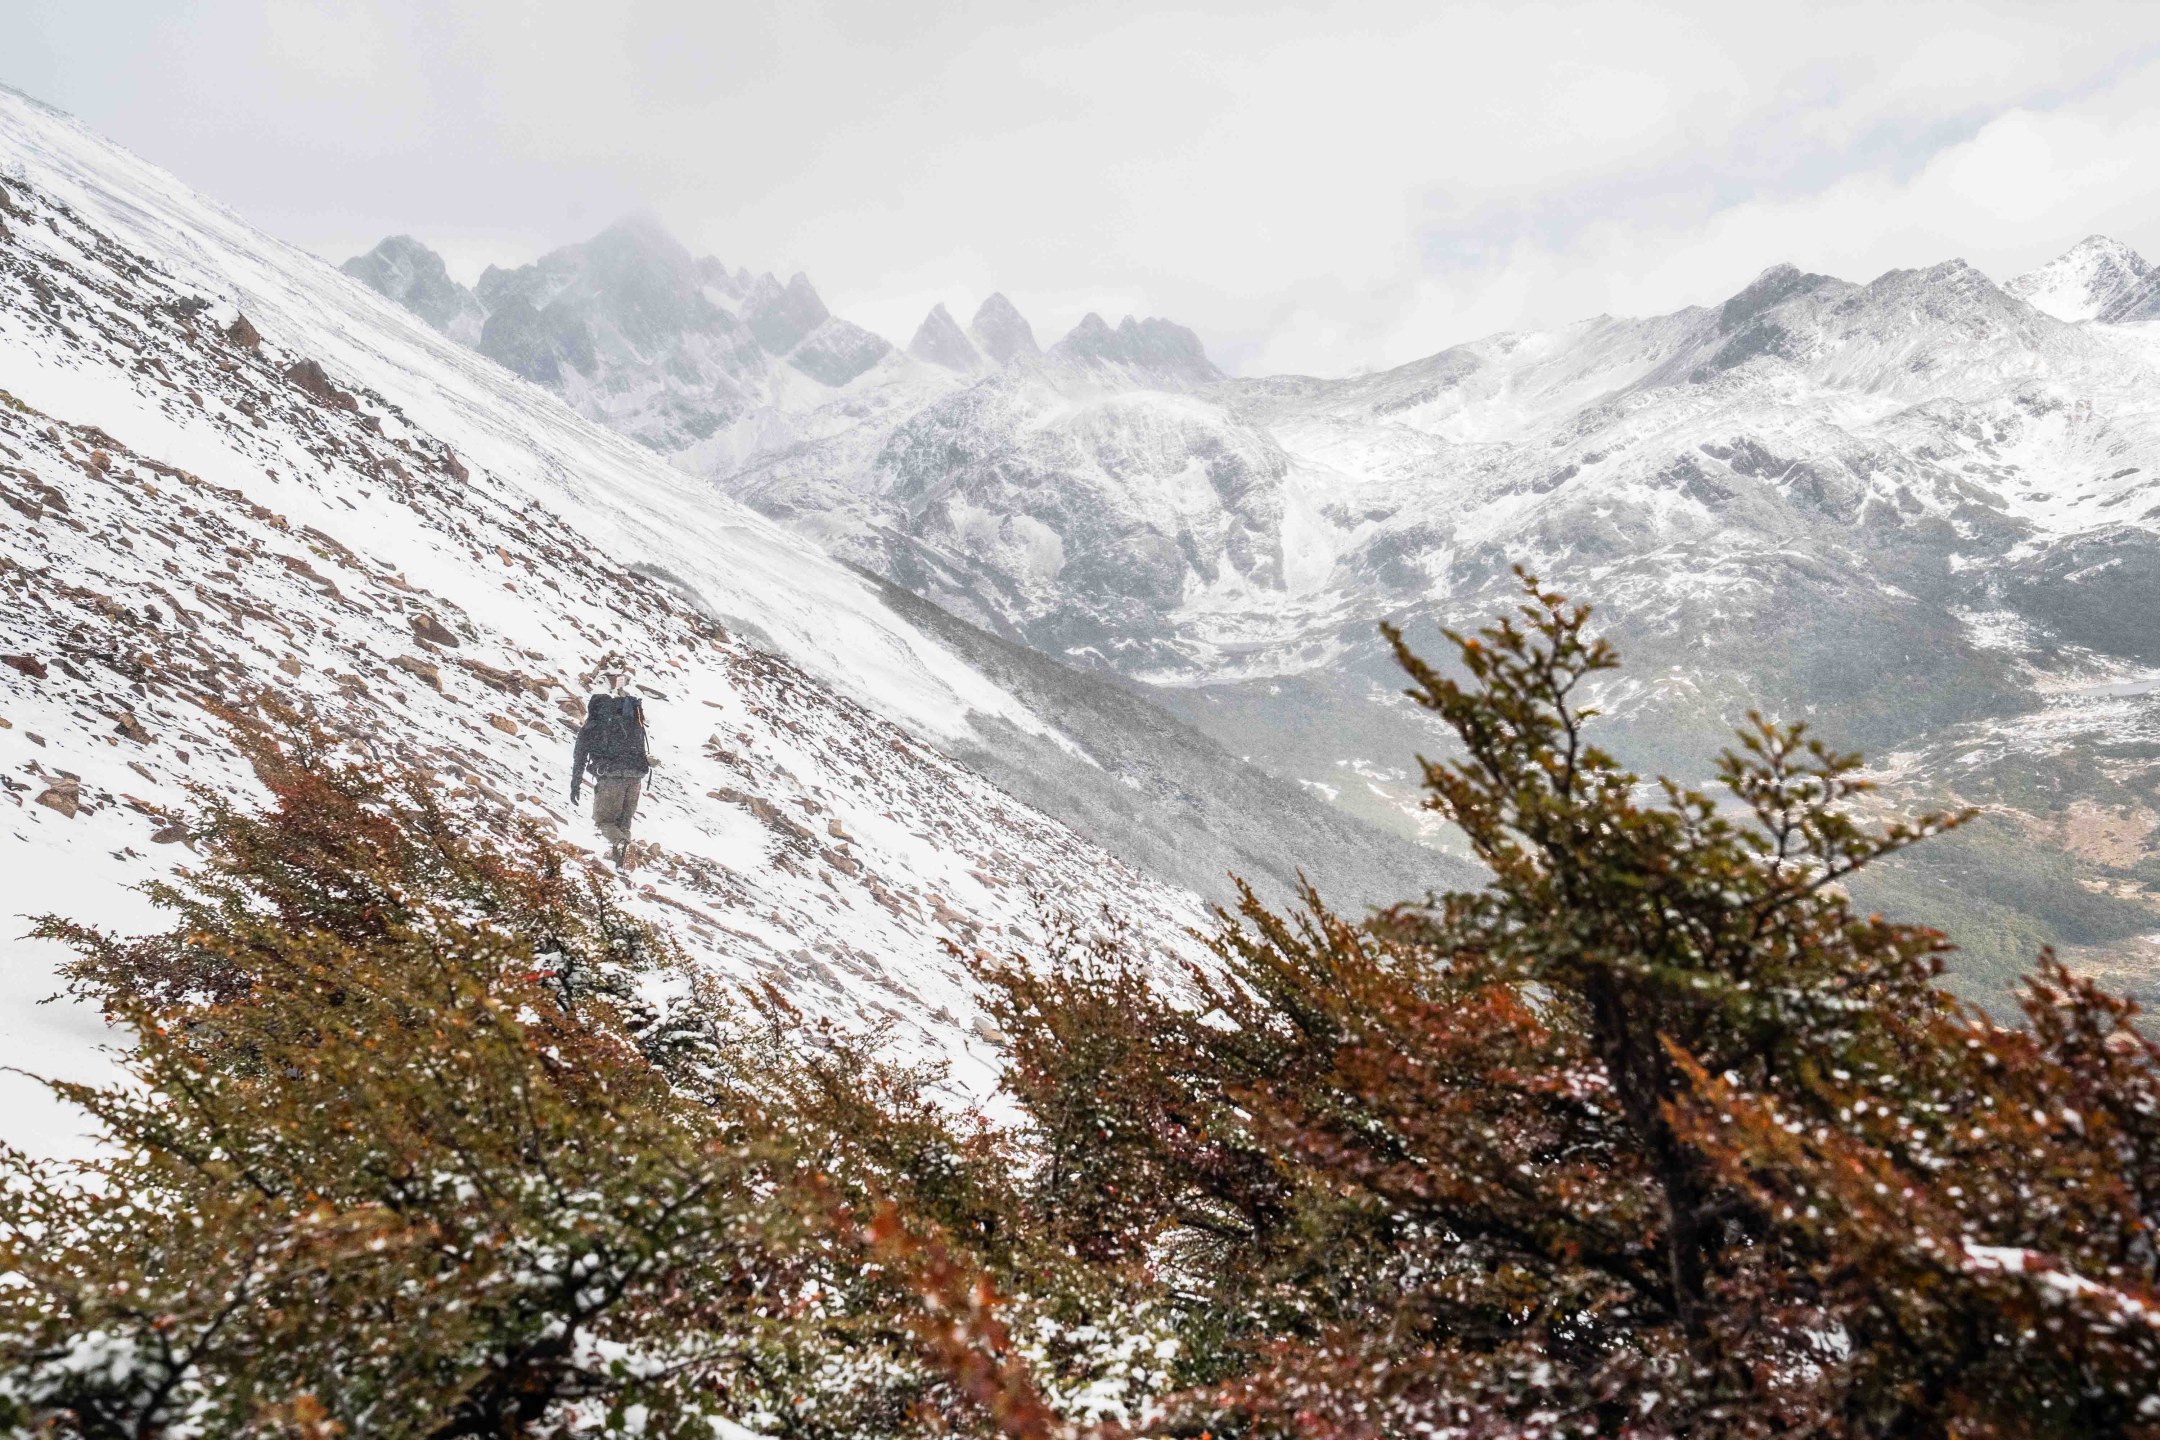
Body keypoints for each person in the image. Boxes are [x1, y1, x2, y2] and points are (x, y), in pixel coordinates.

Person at [571, 664, 651, 866]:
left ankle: (624, 847)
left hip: (611, 776)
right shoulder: (629, 718)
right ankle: (622, 863)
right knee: (624, 822)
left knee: (605, 822)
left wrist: (575, 784)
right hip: (636, 775)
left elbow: (580, 755)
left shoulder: (594, 723)